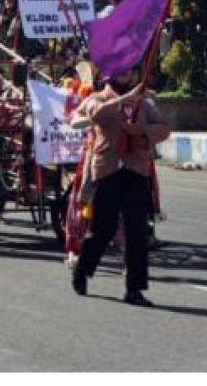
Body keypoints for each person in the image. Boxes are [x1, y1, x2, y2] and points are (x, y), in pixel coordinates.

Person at [70, 65, 170, 304]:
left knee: (137, 231)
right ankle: (82, 270)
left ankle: (134, 289)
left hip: (136, 169)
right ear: (111, 77)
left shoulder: (145, 104)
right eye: (123, 74)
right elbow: (97, 115)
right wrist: (126, 98)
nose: (129, 77)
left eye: (130, 73)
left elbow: (164, 129)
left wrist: (142, 131)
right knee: (103, 229)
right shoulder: (97, 99)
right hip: (108, 170)